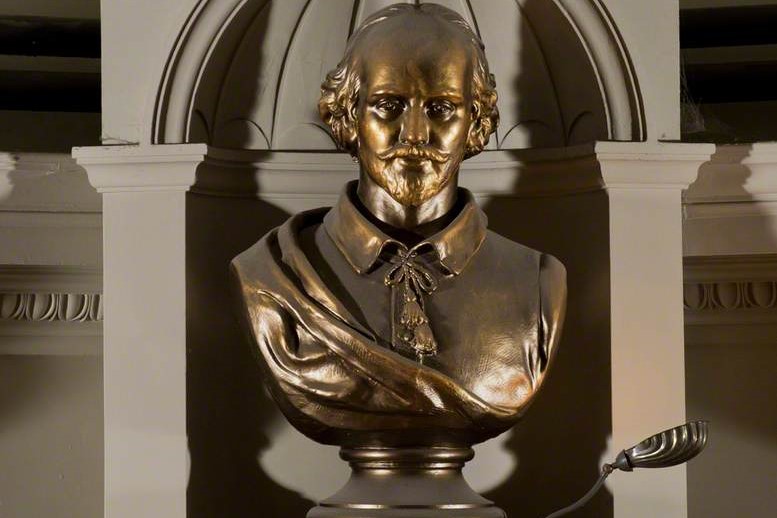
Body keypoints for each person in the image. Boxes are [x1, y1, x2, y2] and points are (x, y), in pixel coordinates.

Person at [231, 3, 566, 447]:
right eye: (388, 105)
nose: (414, 134)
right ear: (348, 116)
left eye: (441, 108)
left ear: (476, 122)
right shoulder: (270, 276)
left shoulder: (538, 282)